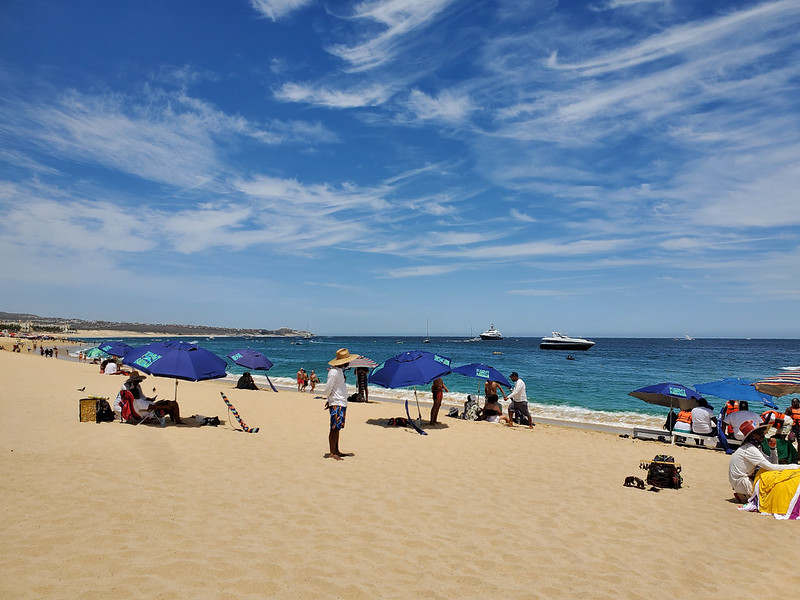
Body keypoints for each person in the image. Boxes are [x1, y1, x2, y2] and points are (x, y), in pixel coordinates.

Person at [728, 420, 799, 502]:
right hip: (741, 482)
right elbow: (770, 466)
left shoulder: (754, 447)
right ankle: (746, 495)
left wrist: (773, 448)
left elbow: (772, 463)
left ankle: (745, 495)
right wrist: (794, 466)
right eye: (759, 433)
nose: (763, 435)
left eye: (762, 432)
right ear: (752, 436)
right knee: (771, 497)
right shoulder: (749, 449)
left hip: (741, 480)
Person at [116, 371, 182, 425]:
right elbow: (151, 407)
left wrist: (148, 399)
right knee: (172, 404)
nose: (138, 382)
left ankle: (173, 419)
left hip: (147, 406)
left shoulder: (135, 399)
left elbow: (142, 398)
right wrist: (165, 407)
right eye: (137, 381)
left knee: (169, 402)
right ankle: (177, 421)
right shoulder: (135, 398)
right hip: (151, 410)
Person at [324, 348, 356, 461]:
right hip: (336, 402)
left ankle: (336, 450)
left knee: (337, 427)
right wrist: (330, 400)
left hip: (341, 402)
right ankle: (332, 452)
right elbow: (328, 388)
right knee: (334, 427)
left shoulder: (339, 372)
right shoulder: (333, 372)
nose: (349, 362)